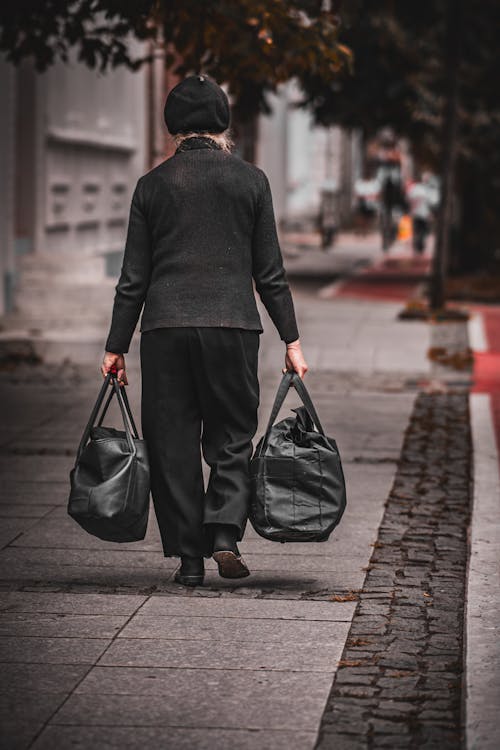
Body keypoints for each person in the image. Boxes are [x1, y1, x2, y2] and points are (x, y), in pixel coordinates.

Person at [101, 75, 308, 587]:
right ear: (223, 125)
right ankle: (224, 536)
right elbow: (270, 274)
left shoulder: (152, 185)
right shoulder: (251, 181)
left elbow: (133, 279)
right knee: (233, 435)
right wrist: (292, 340)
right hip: (233, 327)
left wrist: (115, 347)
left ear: (174, 128)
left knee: (172, 443)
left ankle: (189, 560)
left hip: (165, 329)